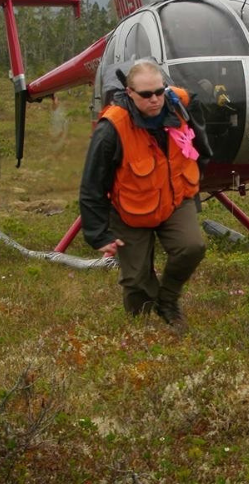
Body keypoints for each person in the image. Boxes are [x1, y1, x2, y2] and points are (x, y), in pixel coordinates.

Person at [79, 60, 209, 334]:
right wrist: (98, 234)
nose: (155, 99)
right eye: (146, 95)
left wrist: (201, 170)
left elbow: (200, 145)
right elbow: (91, 185)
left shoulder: (179, 104)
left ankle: (168, 300)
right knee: (136, 281)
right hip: (130, 210)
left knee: (192, 246)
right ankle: (144, 331)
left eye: (160, 91)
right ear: (130, 93)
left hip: (174, 199)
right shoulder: (111, 128)